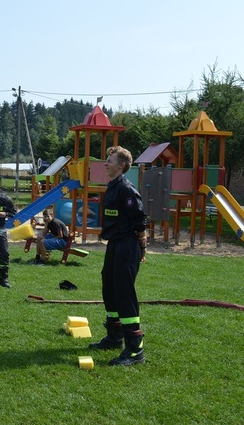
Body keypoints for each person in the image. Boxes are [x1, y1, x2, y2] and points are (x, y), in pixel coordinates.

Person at [89, 146, 148, 366]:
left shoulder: (126, 189)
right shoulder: (112, 187)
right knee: (109, 287)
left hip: (127, 245)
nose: (105, 163)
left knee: (124, 292)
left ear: (121, 165)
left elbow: (139, 219)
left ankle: (135, 349)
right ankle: (115, 336)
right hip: (114, 244)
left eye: (109, 160)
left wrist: (142, 246)